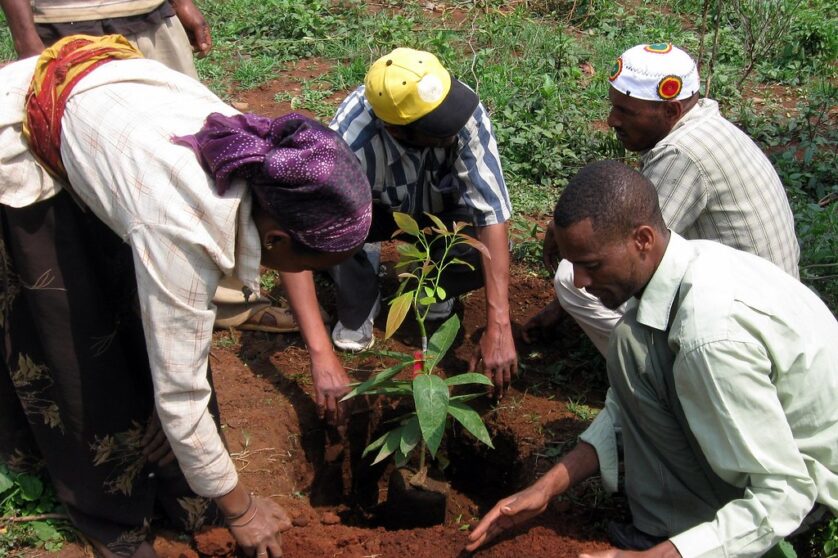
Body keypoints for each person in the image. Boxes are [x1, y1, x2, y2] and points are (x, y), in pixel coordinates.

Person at [0, 35, 372, 557]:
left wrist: (171, 404)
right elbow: (182, 397)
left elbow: (178, 346)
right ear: (278, 239)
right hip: (25, 135)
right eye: (313, 266)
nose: (307, 276)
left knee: (142, 320)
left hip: (116, 129)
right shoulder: (183, 224)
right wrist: (242, 512)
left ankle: (187, 487)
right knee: (75, 341)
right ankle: (109, 512)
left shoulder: (260, 164)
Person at [467, 160, 837, 557]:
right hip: (785, 448)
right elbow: (625, 408)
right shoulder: (685, 267)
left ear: (642, 239)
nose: (578, 281)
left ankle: (687, 532)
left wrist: (656, 557)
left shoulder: (709, 337)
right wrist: (545, 488)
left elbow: (786, 492)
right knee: (629, 341)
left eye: (590, 265)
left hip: (811, 488)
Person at [0, 0, 306, 334]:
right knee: (92, 174)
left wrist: (182, 4)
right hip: (66, 22)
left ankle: (224, 299)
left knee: (198, 157)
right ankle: (117, 302)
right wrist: (26, 38)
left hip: (150, 17)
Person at [527, 43, 799, 355]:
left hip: (751, 330)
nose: (612, 120)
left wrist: (563, 300)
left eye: (626, 112)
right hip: (774, 305)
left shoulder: (682, 153)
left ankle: (651, 374)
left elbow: (640, 256)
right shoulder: (703, 126)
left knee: (570, 280)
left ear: (671, 110)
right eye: (614, 107)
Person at [329, 47, 517, 396]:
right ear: (396, 130)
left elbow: (491, 213)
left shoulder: (462, 111)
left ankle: (432, 283)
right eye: (438, 126)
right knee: (335, 234)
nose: (454, 123)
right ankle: (361, 281)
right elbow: (312, 225)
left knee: (486, 247)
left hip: (443, 213)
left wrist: (500, 326)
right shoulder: (349, 142)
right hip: (371, 211)